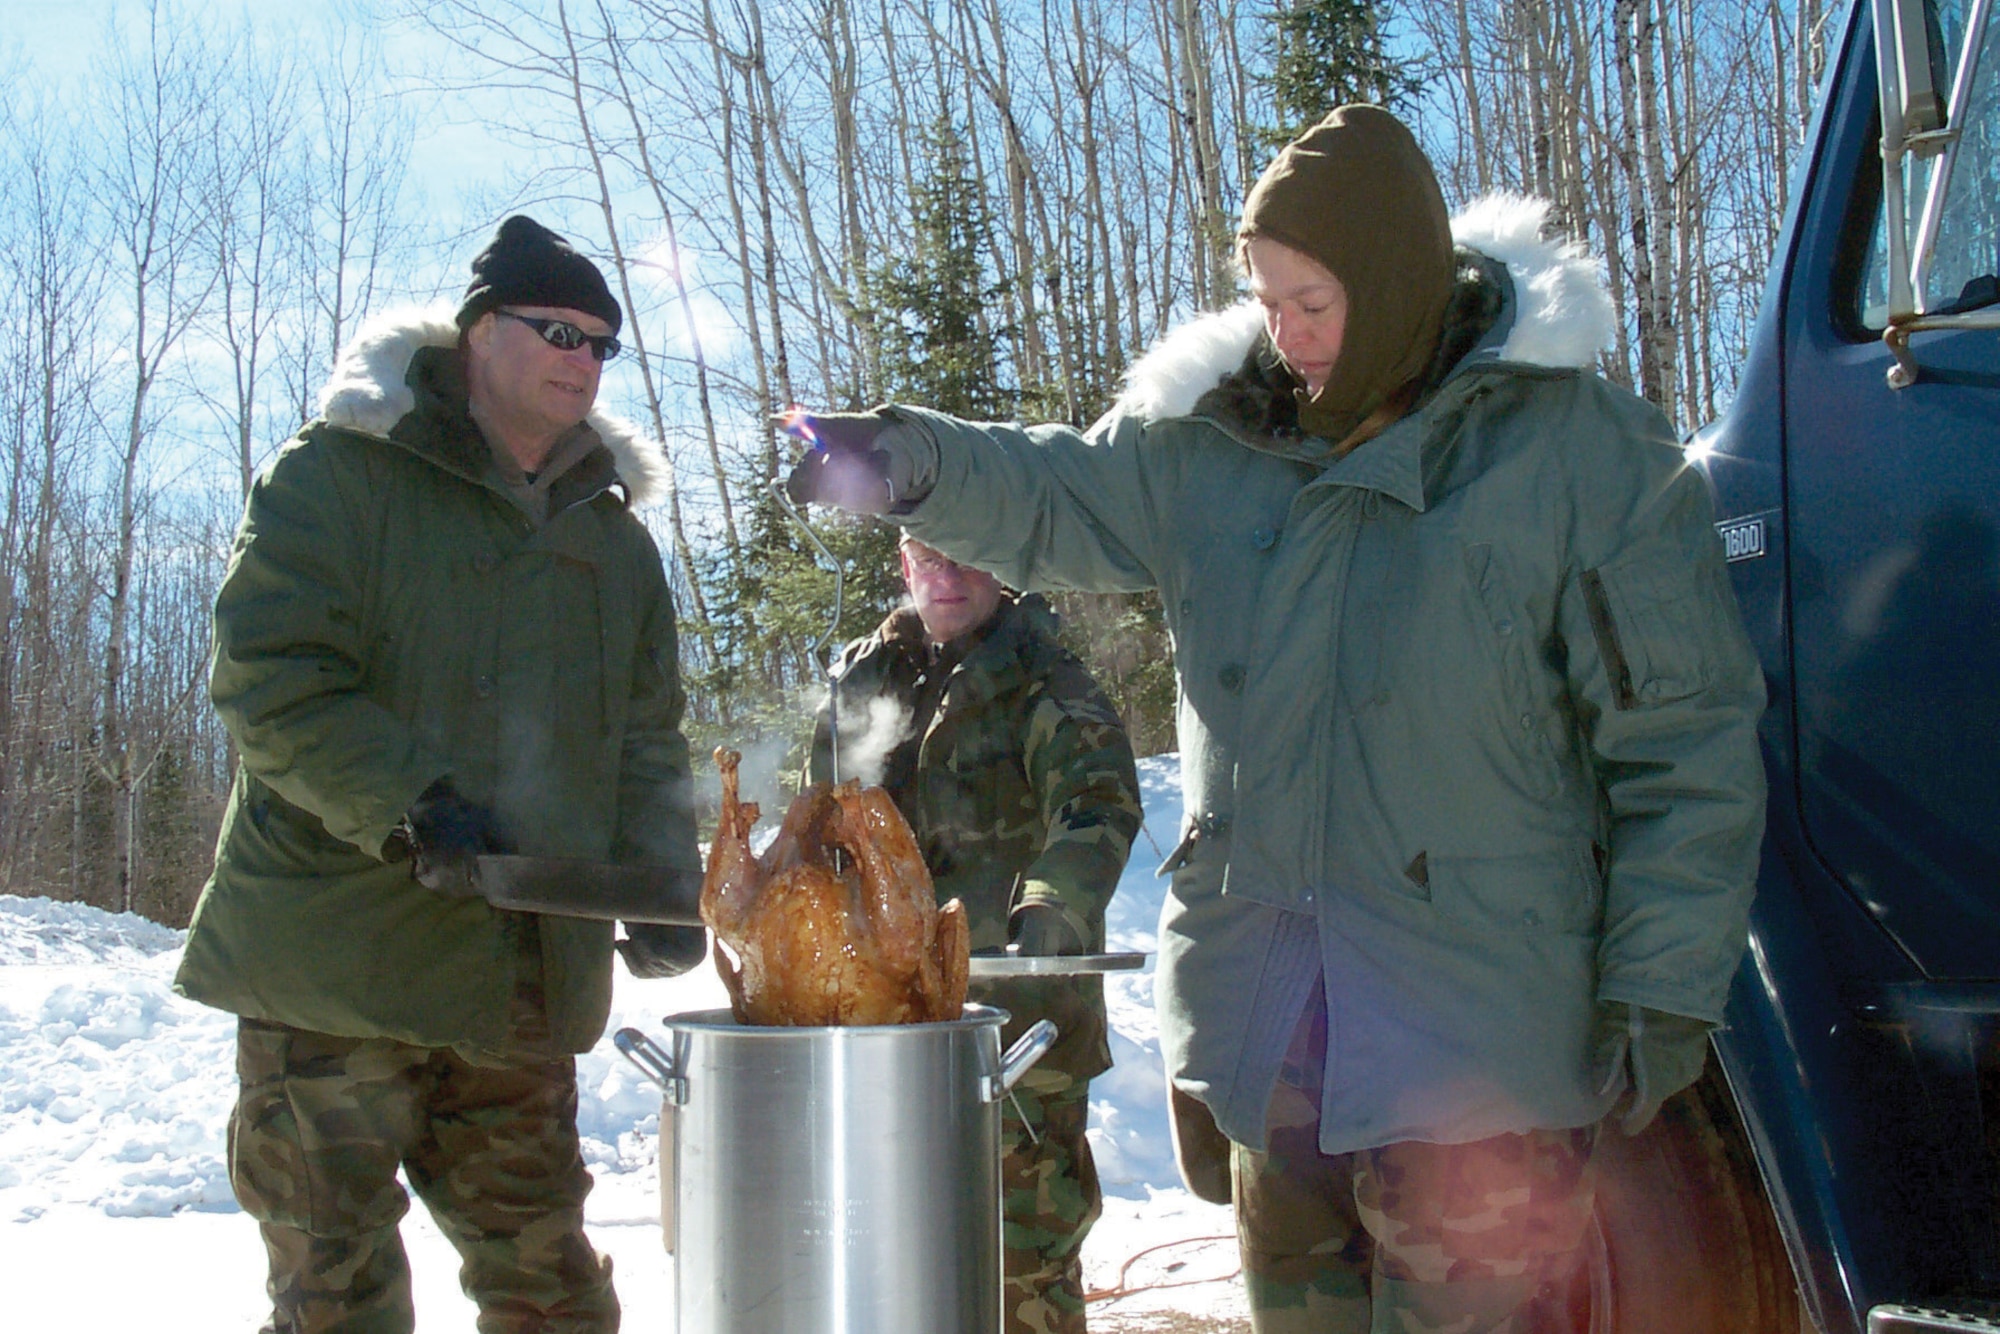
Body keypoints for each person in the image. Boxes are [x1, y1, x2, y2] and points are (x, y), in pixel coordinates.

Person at [784, 105, 1766, 1333]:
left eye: (1314, 300)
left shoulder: (1571, 455)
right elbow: (1053, 494)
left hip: (1477, 1051)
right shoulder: (1210, 445)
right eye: (1265, 299)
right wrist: (905, 461)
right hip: (1279, 1039)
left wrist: (1659, 990)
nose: (1285, 334)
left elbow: (1683, 744)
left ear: (1398, 278)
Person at [174, 215, 706, 1334]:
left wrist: (661, 880)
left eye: (603, 343)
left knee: (552, 1298)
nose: (583, 357)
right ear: (476, 330)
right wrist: (406, 799)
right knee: (337, 1302)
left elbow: (646, 737)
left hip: (515, 982)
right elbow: (270, 677)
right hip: (335, 967)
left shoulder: (614, 545)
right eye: (557, 328)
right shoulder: (337, 476)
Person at [807, 533, 1143, 1334]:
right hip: (881, 1022)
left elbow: (1096, 802)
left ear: (1000, 562)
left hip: (1016, 1026)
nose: (946, 575)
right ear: (903, 565)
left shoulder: (1042, 676)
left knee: (1020, 1257)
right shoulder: (865, 677)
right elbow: (818, 814)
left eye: (966, 553)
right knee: (888, 1252)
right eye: (928, 556)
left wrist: (1053, 907)